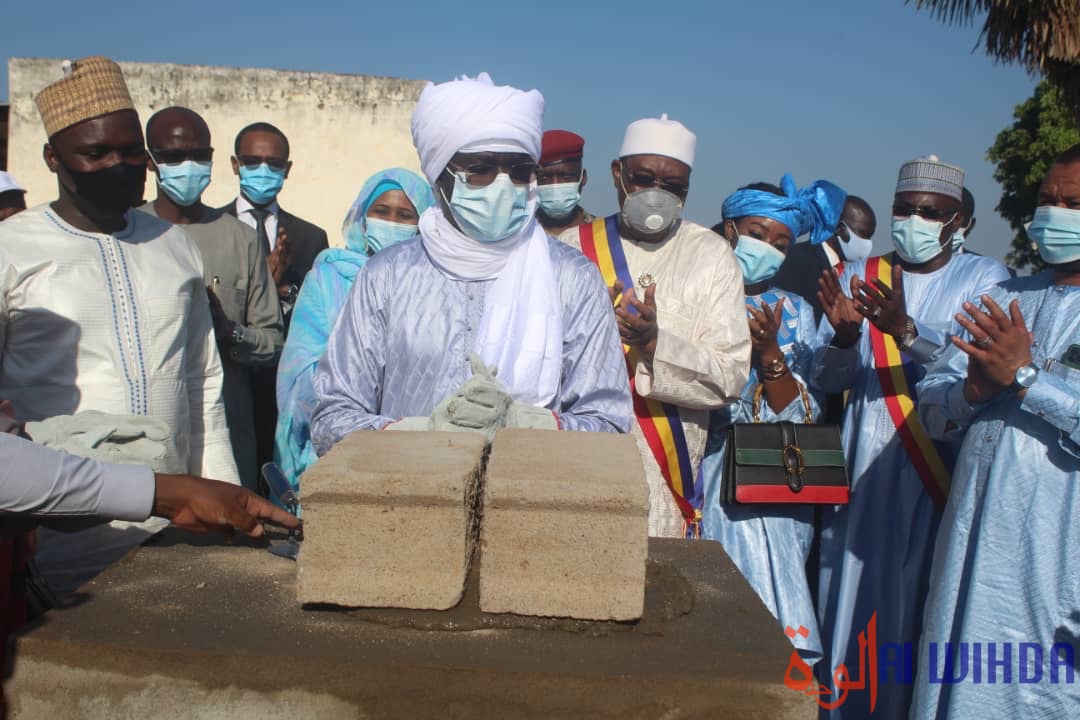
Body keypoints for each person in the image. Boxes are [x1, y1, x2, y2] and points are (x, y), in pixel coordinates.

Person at [0, 56, 239, 592]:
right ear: (52, 158)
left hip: (176, 523)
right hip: (58, 532)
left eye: (133, 152)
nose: (119, 164)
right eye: (96, 153)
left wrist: (223, 495)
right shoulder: (11, 250)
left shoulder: (174, 246)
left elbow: (203, 386)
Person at [310, 73, 632, 451]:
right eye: (480, 169)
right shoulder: (387, 276)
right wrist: (424, 433)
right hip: (407, 498)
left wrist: (524, 423)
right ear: (440, 177)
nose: (502, 184)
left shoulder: (572, 277)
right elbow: (331, 420)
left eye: (518, 171)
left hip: (529, 500)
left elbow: (610, 423)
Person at [811, 155, 1012, 720]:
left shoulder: (985, 278)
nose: (913, 220)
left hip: (935, 473)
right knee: (844, 603)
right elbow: (830, 381)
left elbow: (979, 370)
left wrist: (905, 331)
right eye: (905, 209)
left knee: (918, 605)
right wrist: (847, 339)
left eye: (930, 212)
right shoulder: (863, 273)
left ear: (957, 223)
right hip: (861, 471)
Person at [911, 145, 1080, 719]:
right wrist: (975, 392)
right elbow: (933, 403)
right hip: (975, 539)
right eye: (1046, 201)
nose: (1054, 214)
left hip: (1057, 556)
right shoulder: (1005, 298)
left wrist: (1028, 379)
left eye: (1073, 203)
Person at [560, 114, 750, 538]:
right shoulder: (572, 249)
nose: (657, 193)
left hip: (665, 481)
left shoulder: (712, 256)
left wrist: (653, 346)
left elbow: (730, 376)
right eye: (644, 178)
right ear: (618, 174)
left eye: (673, 186)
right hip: (578, 467)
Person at [700, 175, 845, 663]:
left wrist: (767, 355)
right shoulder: (695, 294)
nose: (769, 249)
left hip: (771, 488)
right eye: (758, 235)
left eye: (781, 243)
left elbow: (804, 417)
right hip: (702, 473)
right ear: (729, 230)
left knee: (769, 638)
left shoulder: (798, 313)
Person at [140, 107, 284, 491]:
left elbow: (271, 341)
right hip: (144, 434)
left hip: (227, 432)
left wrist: (228, 332)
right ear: (151, 162)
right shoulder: (127, 233)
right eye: (173, 156)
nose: (188, 165)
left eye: (198, 155)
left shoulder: (241, 240)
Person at [275, 168, 434, 488]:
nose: (391, 222)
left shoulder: (434, 285)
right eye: (381, 211)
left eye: (405, 215)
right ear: (363, 217)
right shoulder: (329, 277)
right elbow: (301, 367)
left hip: (415, 449)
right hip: (335, 450)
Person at [221, 121, 329, 474]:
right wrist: (260, 286)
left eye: (274, 163)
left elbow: (318, 312)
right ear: (236, 165)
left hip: (283, 381)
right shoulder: (213, 229)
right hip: (230, 378)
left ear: (287, 169)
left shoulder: (310, 237)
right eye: (253, 161)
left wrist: (283, 292)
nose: (263, 171)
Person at [772, 195, 876, 323]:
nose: (867, 244)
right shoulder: (797, 261)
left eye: (869, 237)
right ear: (840, 228)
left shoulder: (848, 273)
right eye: (863, 235)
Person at [535, 130, 595, 236]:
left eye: (566, 176)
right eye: (544, 177)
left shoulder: (603, 235)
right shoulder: (520, 236)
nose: (555, 185)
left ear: (583, 178)